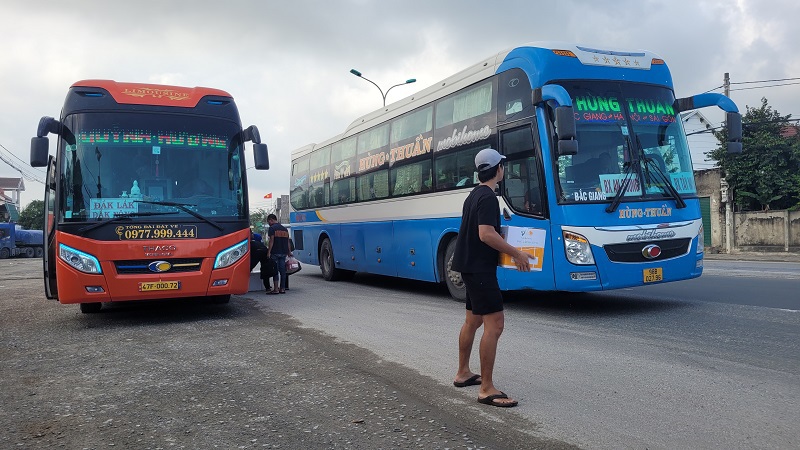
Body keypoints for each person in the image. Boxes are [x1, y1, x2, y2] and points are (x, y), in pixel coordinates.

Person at [451, 148, 534, 408]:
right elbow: (485, 234)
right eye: (503, 166)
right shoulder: (487, 197)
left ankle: (463, 373)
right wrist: (517, 253)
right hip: (480, 269)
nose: (503, 170)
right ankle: (486, 388)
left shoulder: (473, 195)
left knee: (472, 320)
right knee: (495, 325)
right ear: (498, 169)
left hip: (469, 266)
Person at [266, 213, 290, 294]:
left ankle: (276, 289)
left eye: (268, 221)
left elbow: (271, 241)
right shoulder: (285, 229)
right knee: (283, 271)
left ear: (271, 220)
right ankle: (282, 288)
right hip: (283, 253)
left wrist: (269, 252)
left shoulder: (272, 228)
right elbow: (288, 242)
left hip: (275, 252)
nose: (268, 224)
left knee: (275, 271)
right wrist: (289, 252)